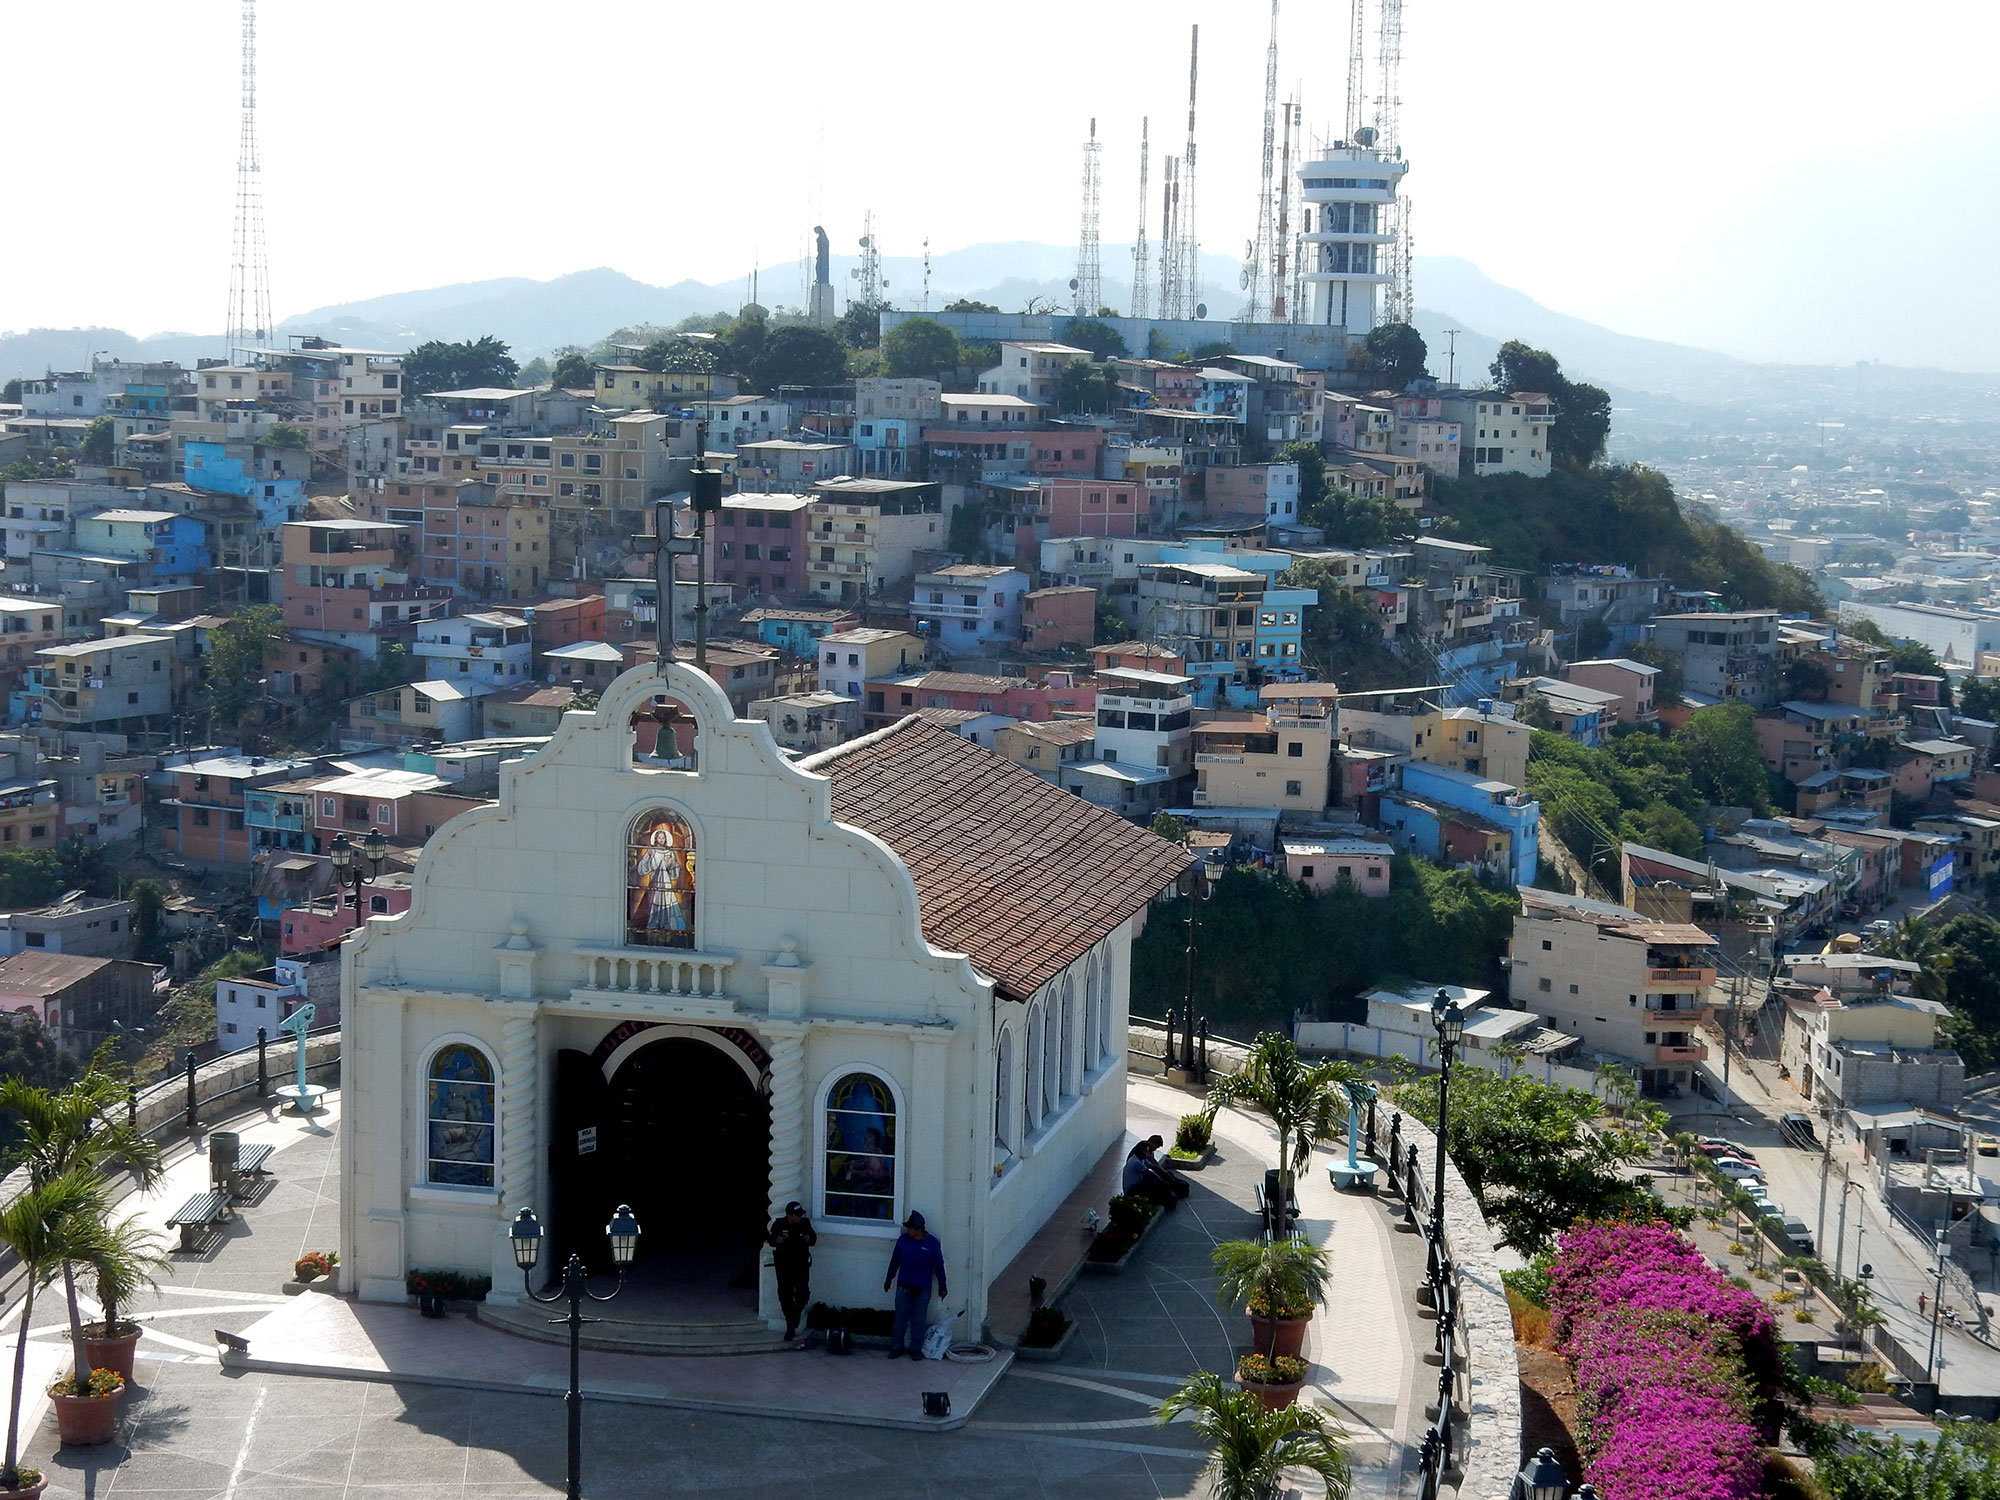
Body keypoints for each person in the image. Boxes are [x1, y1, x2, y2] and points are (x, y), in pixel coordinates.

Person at [882, 1210, 946, 1359]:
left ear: (918, 1230)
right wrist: (889, 1278)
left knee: (919, 1320)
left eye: (910, 1228)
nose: (907, 1230)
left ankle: (915, 1349)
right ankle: (896, 1347)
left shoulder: (932, 1244)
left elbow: (939, 1266)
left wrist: (943, 1286)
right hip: (903, 1286)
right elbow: (895, 1260)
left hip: (922, 1288)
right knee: (900, 1318)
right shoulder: (903, 1241)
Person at [766, 1200, 817, 1343]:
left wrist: (808, 1238)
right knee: (785, 1295)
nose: (800, 1217)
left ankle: (794, 1318)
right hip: (784, 1265)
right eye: (797, 1215)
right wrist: (777, 1240)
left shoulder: (804, 1224)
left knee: (802, 1293)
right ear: (789, 1215)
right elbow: (771, 1240)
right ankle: (790, 1326)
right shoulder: (779, 1224)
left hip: (800, 1265)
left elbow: (813, 1239)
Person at [1122, 1136, 1189, 1212]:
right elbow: (1149, 1172)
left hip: (1138, 1181)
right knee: (1153, 1182)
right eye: (1146, 1153)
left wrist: (1166, 1175)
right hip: (1131, 1189)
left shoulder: (1142, 1157)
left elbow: (1154, 1166)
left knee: (1161, 1176)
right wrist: (1161, 1180)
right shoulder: (1136, 1162)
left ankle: (1172, 1190)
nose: (1148, 1154)